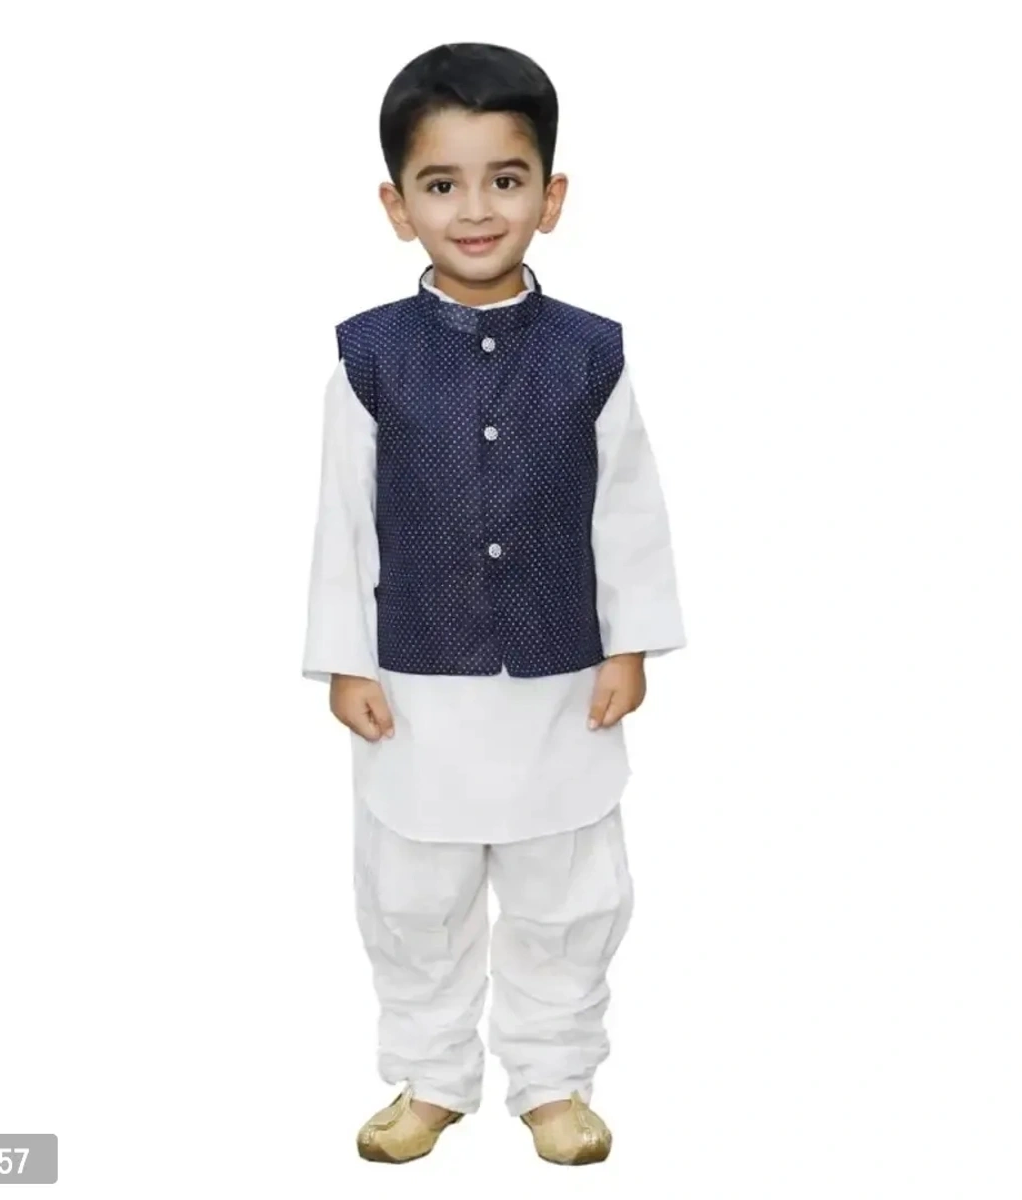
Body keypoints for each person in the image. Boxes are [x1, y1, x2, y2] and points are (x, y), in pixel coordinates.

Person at [302, 42, 686, 1165]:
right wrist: (345, 659)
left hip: (562, 679)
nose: (475, 209)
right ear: (397, 206)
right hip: (414, 678)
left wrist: (632, 644)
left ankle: (554, 1078)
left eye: (505, 179)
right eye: (442, 183)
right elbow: (341, 520)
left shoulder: (591, 355)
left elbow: (629, 506)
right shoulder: (369, 359)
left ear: (550, 197)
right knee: (412, 890)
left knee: (567, 889)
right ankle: (430, 1076)